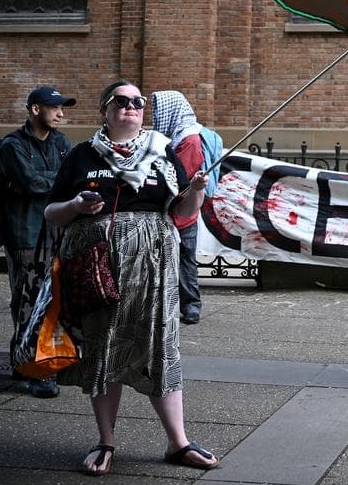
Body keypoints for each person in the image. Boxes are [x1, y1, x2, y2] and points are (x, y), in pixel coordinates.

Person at [44, 81, 218, 475]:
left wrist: (197, 190)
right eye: (120, 102)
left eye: (137, 102)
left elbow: (181, 211)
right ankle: (106, 441)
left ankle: (179, 442)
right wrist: (75, 205)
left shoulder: (163, 154)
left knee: (161, 346)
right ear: (104, 111)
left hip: (154, 266)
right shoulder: (81, 155)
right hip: (97, 267)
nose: (130, 107)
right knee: (104, 347)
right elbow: (51, 213)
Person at [0, 86, 76, 398]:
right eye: (54, 108)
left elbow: (72, 179)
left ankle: (24, 362)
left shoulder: (60, 142)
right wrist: (59, 182)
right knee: (28, 302)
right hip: (26, 234)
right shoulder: (13, 146)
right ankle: (33, 370)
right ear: (35, 110)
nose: (60, 113)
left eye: (62, 108)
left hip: (56, 233)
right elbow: (30, 183)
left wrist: (58, 183)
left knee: (48, 301)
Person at [150, 91, 207, 325]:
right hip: (173, 210)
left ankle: (190, 305)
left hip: (181, 211)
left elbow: (179, 177)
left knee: (185, 259)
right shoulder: (177, 137)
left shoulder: (189, 140)